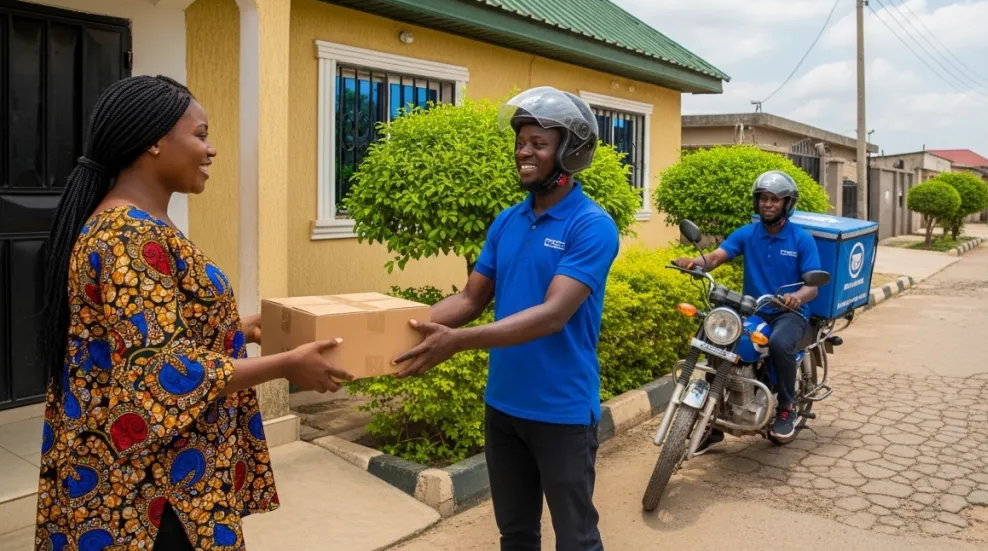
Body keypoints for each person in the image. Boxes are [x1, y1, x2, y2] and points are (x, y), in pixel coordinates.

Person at [35, 75, 352, 551]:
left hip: (148, 481)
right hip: (148, 496)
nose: (211, 150)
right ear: (153, 142)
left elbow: (142, 334)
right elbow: (162, 372)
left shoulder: (138, 224)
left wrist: (234, 329)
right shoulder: (128, 235)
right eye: (200, 134)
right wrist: (288, 366)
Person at [391, 86, 618, 551]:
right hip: (504, 407)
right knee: (515, 535)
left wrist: (457, 342)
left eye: (538, 142)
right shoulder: (508, 221)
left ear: (570, 152)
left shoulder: (591, 225)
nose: (523, 151)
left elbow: (553, 314)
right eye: (520, 141)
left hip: (561, 411)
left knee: (576, 538)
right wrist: (392, 326)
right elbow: (470, 298)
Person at [672, 170, 822, 448]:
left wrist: (797, 297)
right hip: (755, 308)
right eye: (764, 198)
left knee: (779, 344)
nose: (768, 204)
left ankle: (786, 406)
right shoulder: (748, 233)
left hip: (790, 313)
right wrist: (695, 262)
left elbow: (813, 285)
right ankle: (712, 421)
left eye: (775, 199)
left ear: (787, 204)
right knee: (716, 340)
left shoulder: (801, 240)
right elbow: (717, 256)